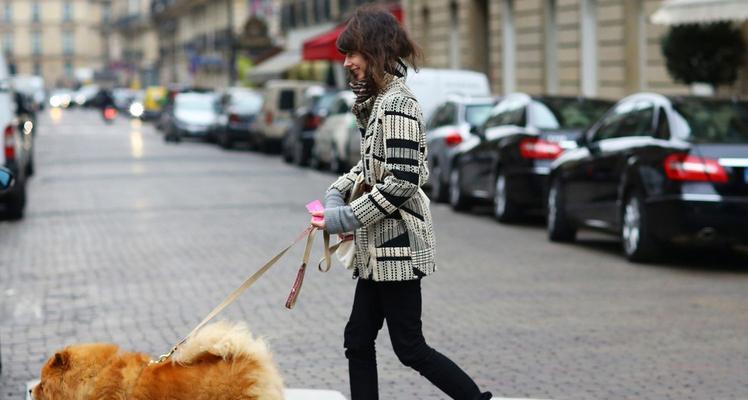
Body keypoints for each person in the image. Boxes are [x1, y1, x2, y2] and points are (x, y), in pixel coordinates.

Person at [309, 5, 493, 400]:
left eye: (352, 53)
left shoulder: (398, 104)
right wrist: (335, 194)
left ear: (374, 51)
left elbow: (402, 182)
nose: (347, 63)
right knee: (358, 339)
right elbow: (369, 167)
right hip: (379, 252)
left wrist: (343, 217)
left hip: (398, 251)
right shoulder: (380, 103)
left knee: (409, 348)